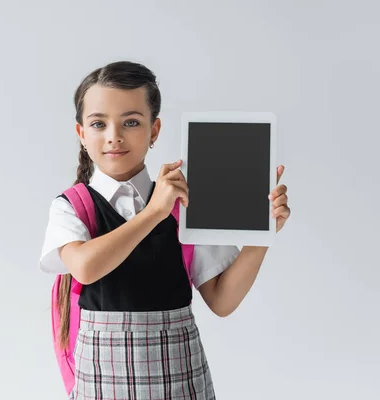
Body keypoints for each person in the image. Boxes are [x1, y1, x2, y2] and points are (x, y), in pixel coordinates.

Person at [39, 60, 291, 400]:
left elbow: (222, 299)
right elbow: (85, 267)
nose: (114, 135)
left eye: (131, 121)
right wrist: (155, 211)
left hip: (180, 378)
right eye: (99, 123)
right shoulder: (72, 206)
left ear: (154, 131)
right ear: (82, 133)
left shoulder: (183, 204)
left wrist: (264, 234)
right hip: (102, 379)